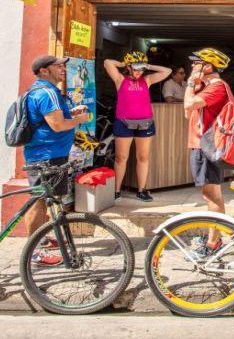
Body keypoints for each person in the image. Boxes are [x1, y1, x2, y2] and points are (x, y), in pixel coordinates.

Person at [23, 55, 90, 265]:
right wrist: (80, 118)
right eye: (58, 66)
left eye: (63, 66)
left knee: (47, 199)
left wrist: (70, 112)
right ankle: (34, 249)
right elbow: (58, 125)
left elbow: (52, 119)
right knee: (39, 200)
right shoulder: (47, 92)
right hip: (46, 157)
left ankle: (41, 240)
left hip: (50, 154)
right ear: (44, 71)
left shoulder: (44, 91)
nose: (63, 69)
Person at [104, 50, 171, 202]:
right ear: (129, 67)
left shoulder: (146, 80)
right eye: (136, 68)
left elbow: (168, 71)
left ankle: (141, 190)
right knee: (121, 158)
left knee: (143, 157)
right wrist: (123, 63)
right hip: (123, 122)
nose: (139, 71)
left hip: (145, 123)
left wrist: (147, 65)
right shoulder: (120, 79)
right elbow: (107, 62)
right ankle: (116, 191)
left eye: (142, 68)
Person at [183, 47, 232, 259]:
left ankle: (213, 244)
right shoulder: (207, 86)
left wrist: (189, 84)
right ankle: (215, 238)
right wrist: (194, 85)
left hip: (206, 146)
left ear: (208, 66)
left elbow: (188, 104)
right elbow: (188, 113)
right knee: (212, 195)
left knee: (211, 196)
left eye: (196, 62)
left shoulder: (217, 86)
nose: (192, 66)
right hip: (201, 145)